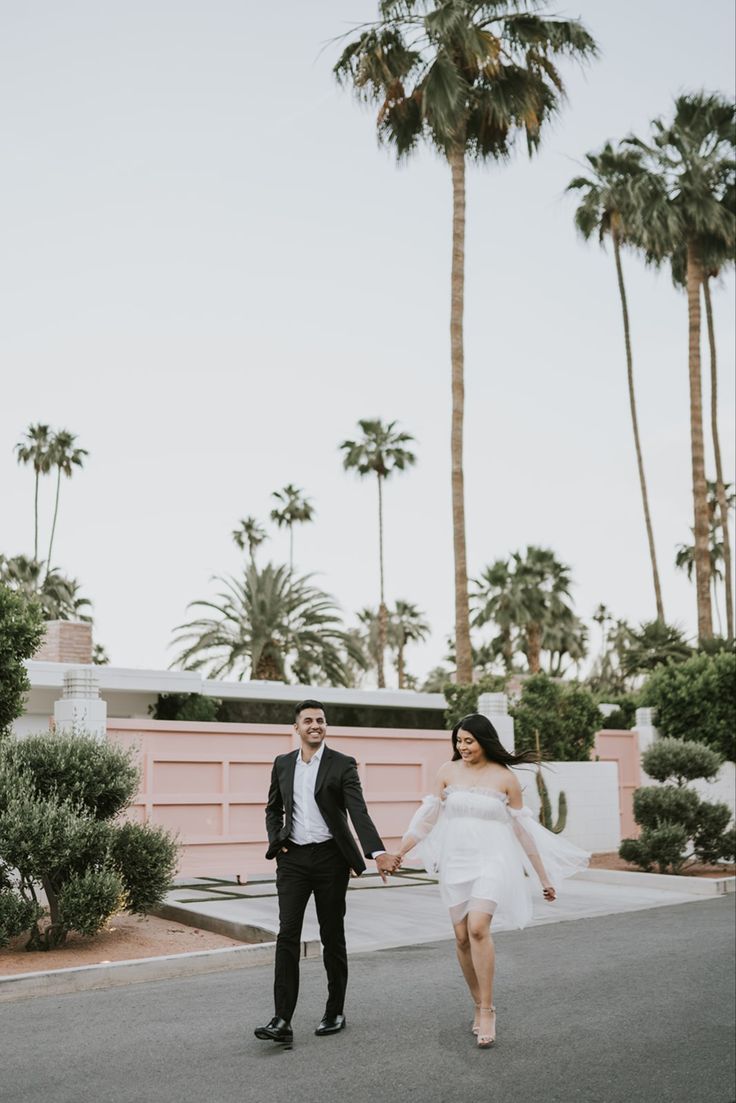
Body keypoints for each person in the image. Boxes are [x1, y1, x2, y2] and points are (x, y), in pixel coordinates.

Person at [396, 713, 589, 1048]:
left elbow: (523, 830)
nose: (463, 746)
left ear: (484, 740)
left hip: (492, 862)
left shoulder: (505, 778)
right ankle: (476, 1001)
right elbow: (427, 820)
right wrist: (400, 852)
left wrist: (544, 877)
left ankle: (487, 1009)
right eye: (458, 741)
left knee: (478, 928)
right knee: (460, 938)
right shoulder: (446, 772)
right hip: (456, 863)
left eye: (469, 740)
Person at [254, 699, 400, 1047]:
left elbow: (357, 812)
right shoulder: (283, 764)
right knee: (287, 934)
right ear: (297, 728)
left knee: (331, 935)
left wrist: (376, 852)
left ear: (325, 726)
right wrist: (278, 841)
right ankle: (282, 1019)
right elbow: (273, 809)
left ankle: (335, 1011)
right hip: (293, 861)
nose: (315, 725)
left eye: (320, 720)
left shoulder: (342, 764)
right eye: (308, 720)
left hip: (331, 861)